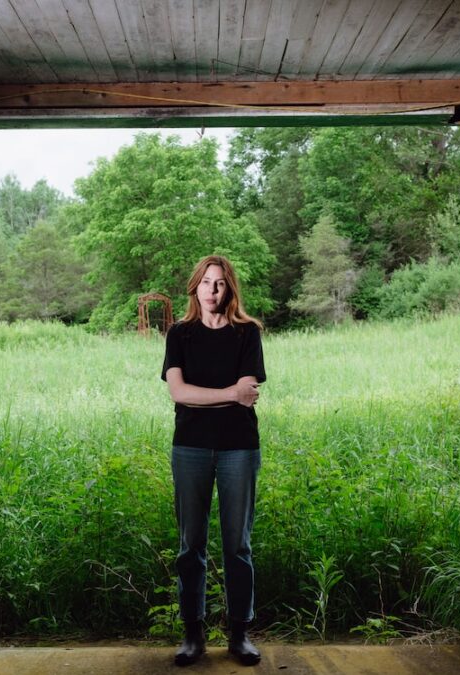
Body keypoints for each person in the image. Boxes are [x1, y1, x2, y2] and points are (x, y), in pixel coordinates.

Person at [160, 255, 265, 667]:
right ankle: (193, 635)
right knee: (191, 546)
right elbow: (178, 393)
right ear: (195, 287)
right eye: (206, 282)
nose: (212, 290)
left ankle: (240, 633)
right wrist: (229, 394)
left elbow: (247, 388)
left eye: (220, 283)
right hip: (190, 447)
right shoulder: (180, 335)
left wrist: (207, 392)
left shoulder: (247, 334)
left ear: (230, 288)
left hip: (239, 447)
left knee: (238, 545)